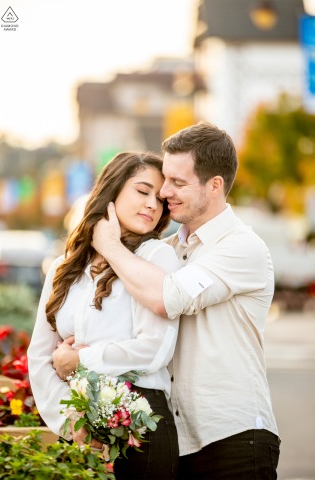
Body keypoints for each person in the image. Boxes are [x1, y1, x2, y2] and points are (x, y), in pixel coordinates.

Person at [89, 122, 281, 479]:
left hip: (235, 440)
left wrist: (111, 246)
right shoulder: (165, 251)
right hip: (178, 443)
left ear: (215, 185)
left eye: (178, 182)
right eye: (165, 179)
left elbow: (168, 298)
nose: (164, 192)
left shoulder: (242, 247)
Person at [27, 152, 181, 480]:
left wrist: (80, 359)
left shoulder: (157, 257)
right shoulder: (63, 268)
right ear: (111, 192)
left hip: (143, 428)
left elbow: (154, 349)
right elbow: (40, 356)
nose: (153, 204)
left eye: (160, 199)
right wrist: (72, 418)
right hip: (77, 431)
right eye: (142, 191)